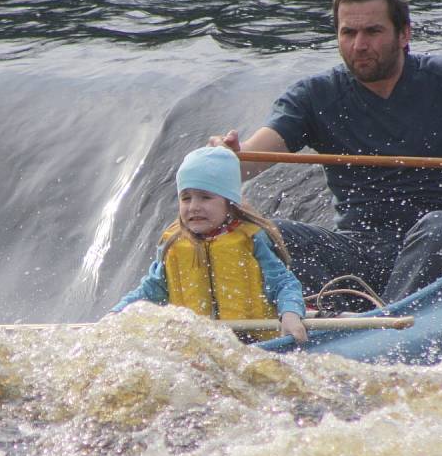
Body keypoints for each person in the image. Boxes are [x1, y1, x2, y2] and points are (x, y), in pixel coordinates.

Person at [209, 0, 442, 304]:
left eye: (373, 32)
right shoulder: (314, 96)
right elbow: (256, 155)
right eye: (348, 33)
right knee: (266, 235)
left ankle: (385, 322)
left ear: (404, 34)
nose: (359, 45)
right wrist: (226, 160)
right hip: (359, 249)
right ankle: (320, 313)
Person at [112, 146, 308, 343]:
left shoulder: (252, 239)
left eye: (205, 197)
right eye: (186, 198)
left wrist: (290, 313)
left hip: (255, 342)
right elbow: (150, 291)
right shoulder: (173, 244)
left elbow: (283, 283)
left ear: (230, 202)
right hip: (200, 346)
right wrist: (117, 314)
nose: (194, 206)